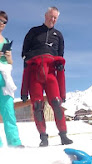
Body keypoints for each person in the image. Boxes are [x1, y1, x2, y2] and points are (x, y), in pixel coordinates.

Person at [21, 6, 72, 147]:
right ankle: (43, 137)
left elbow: (60, 56)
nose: (53, 19)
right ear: (45, 16)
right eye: (51, 16)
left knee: (56, 102)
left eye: (55, 17)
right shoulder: (33, 31)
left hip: (50, 73)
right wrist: (23, 91)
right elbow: (24, 54)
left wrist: (60, 65)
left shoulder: (59, 35)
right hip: (34, 74)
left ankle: (63, 135)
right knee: (37, 105)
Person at [0, 10, 23, 148]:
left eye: (4, 22)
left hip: (4, 78)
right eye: (0, 20)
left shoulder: (6, 41)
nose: (2, 24)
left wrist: (8, 56)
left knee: (9, 111)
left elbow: (10, 62)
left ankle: (15, 142)